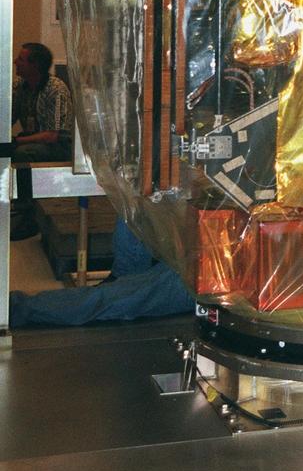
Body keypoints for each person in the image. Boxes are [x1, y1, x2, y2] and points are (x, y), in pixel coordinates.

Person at [9, 216, 194, 326]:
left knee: (112, 298)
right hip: (202, 257)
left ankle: (18, 308)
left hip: (208, 279)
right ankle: (123, 275)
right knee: (138, 188)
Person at [10, 42, 73, 240]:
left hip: (60, 147)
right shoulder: (20, 86)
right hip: (33, 142)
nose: (15, 62)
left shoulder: (56, 89)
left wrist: (18, 141)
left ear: (34, 65)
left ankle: (28, 215)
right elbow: (7, 117)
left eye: (21, 59)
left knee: (22, 153)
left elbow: (54, 135)